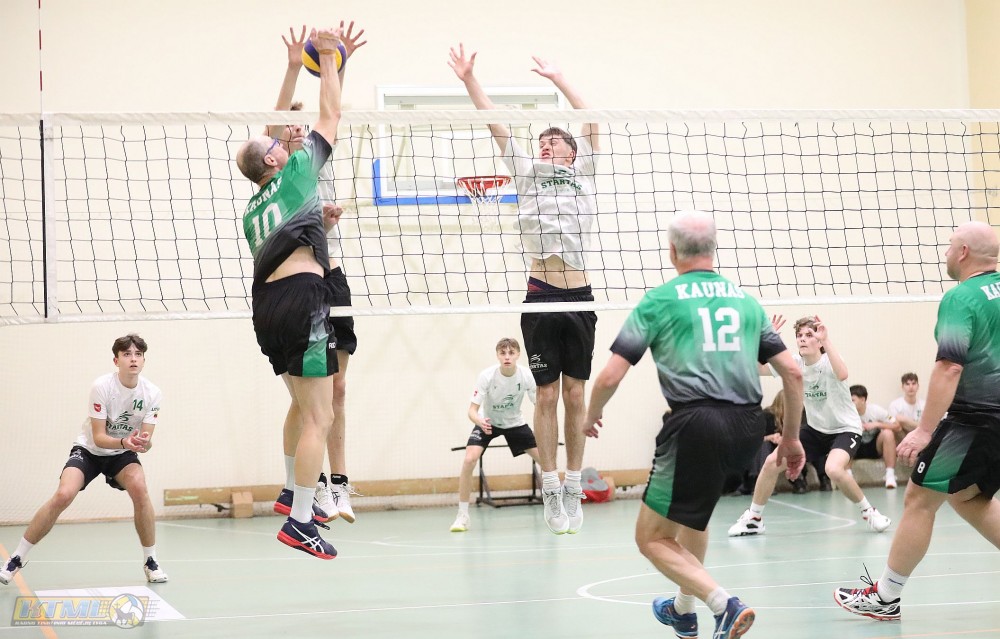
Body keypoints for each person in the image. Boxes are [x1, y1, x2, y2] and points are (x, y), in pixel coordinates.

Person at [581, 210, 805, 639]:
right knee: (693, 520)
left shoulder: (660, 300)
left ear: (672, 251)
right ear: (713, 249)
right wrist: (791, 439)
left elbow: (609, 376)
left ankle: (723, 605)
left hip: (696, 426)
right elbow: (792, 374)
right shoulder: (745, 301)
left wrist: (590, 415)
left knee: (650, 538)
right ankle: (683, 610)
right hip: (748, 427)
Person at [449, 44, 600, 534]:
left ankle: (574, 482)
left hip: (579, 295)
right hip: (540, 294)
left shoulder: (583, 173)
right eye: (541, 142)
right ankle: (551, 485)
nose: (545, 146)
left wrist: (559, 78)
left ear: (572, 152)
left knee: (576, 394)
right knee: (547, 396)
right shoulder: (528, 173)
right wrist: (470, 80)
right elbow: (495, 123)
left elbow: (591, 119)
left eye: (554, 142)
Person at [835, 221, 1000, 622]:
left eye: (949, 246)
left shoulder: (962, 297)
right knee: (968, 498)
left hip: (973, 420)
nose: (945, 253)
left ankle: (885, 596)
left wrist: (924, 430)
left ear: (963, 252)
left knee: (919, 499)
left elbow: (948, 367)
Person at [235, 25, 345, 560]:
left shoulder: (252, 208)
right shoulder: (298, 170)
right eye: (279, 143)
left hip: (267, 308)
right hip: (303, 300)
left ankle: (289, 492)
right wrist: (327, 59)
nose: (284, 139)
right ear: (276, 160)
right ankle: (301, 520)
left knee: (303, 410)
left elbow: (266, 138)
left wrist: (290, 68)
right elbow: (331, 116)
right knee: (321, 417)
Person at [267, 23, 367, 526]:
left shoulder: (315, 160)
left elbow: (331, 111)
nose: (294, 129)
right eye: (288, 127)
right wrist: (293, 68)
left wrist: (338, 64)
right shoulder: (276, 175)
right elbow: (272, 126)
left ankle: (339, 483)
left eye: (299, 125)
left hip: (333, 276)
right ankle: (309, 485)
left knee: (337, 390)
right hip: (297, 287)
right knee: (308, 398)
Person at [0, 335, 167, 586]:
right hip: (89, 450)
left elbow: (146, 441)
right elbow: (99, 438)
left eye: (138, 354)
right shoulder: (102, 387)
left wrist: (143, 443)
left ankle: (150, 561)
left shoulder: (152, 393)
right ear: (116, 360)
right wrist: (125, 442)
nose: (133, 359)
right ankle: (16, 558)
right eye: (127, 354)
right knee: (63, 494)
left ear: (143, 360)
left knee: (140, 489)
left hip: (122, 453)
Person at [728, 316, 892, 537]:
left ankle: (870, 512)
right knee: (771, 463)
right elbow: (757, 368)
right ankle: (754, 519)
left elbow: (843, 374)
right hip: (815, 429)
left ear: (819, 340)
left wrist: (827, 340)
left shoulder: (829, 360)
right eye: (799, 335)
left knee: (833, 469)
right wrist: (765, 341)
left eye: (809, 335)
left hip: (845, 428)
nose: (803, 339)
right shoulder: (794, 363)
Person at [450, 338, 542, 532]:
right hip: (488, 422)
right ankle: (462, 515)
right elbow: (472, 411)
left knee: (547, 461)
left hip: (515, 423)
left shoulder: (526, 375)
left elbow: (540, 407)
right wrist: (479, 421)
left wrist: (542, 429)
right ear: (498, 355)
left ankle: (556, 506)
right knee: (469, 460)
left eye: (511, 353)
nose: (507, 357)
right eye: (503, 353)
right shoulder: (487, 376)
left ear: (518, 355)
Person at [850, 384, 899, 488]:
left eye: (853, 400)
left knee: (888, 433)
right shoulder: (847, 413)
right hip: (856, 447)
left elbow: (897, 426)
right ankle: (848, 476)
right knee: (845, 437)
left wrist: (877, 424)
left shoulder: (875, 410)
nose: (850, 403)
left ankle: (890, 475)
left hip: (874, 447)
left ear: (863, 400)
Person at [886, 372, 926, 488]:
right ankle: (890, 475)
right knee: (898, 420)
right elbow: (893, 423)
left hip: (920, 441)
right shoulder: (895, 405)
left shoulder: (924, 405)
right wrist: (918, 426)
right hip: (902, 440)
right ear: (902, 387)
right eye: (907, 384)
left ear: (918, 386)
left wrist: (917, 428)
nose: (911, 387)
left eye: (913, 383)